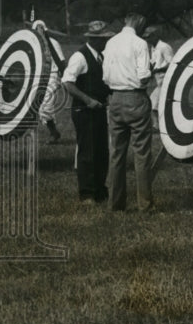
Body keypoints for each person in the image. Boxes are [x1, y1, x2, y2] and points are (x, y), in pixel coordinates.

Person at [102, 13, 157, 212]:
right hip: (135, 98)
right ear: (140, 23)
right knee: (141, 153)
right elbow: (143, 78)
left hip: (115, 99)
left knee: (116, 153)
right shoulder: (140, 43)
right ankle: (145, 205)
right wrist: (150, 70)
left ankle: (115, 205)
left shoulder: (110, 43)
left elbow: (106, 76)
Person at [62, 20, 113, 204]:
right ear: (93, 39)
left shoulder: (101, 55)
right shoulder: (80, 57)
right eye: (103, 39)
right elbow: (67, 82)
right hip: (84, 111)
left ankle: (100, 190)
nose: (106, 42)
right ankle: (87, 194)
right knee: (87, 151)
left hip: (99, 110)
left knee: (102, 151)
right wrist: (88, 100)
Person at [32, 21, 63, 144]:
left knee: (46, 107)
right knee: (37, 107)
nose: (39, 31)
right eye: (37, 29)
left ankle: (53, 133)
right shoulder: (33, 44)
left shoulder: (54, 43)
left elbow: (61, 61)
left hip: (52, 76)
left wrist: (61, 77)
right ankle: (54, 133)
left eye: (41, 29)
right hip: (38, 77)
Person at [144, 26, 174, 117]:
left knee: (154, 104)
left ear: (155, 36)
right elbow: (154, 63)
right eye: (146, 37)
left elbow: (172, 64)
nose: (147, 39)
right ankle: (158, 126)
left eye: (149, 37)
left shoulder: (164, 47)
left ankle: (157, 126)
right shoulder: (153, 48)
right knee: (155, 105)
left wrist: (159, 69)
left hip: (166, 81)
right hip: (159, 82)